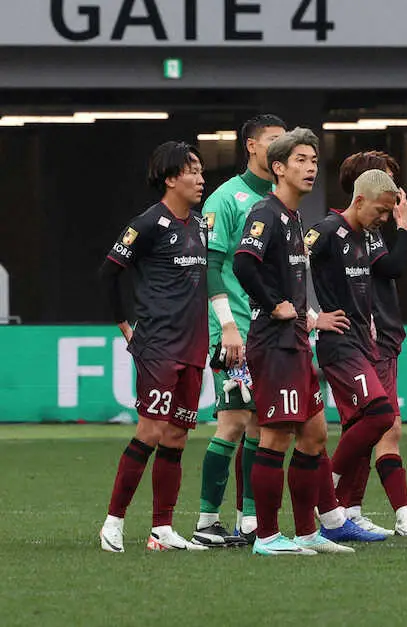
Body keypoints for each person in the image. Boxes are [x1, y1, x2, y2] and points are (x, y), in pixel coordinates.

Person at [233, 128, 385, 555]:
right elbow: (244, 263)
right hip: (274, 343)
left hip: (297, 341)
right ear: (278, 168)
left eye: (314, 161)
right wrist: (274, 304)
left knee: (315, 434)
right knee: (276, 437)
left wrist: (307, 318)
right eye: (300, 160)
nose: (310, 168)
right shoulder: (266, 212)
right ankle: (266, 537)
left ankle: (306, 532)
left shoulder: (294, 217)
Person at [310, 169, 407, 539]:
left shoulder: (361, 237)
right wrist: (311, 317)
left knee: (367, 423)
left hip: (362, 342)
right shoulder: (326, 230)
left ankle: (344, 511)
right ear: (359, 200)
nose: (385, 218)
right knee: (381, 416)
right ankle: (328, 491)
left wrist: (368, 322)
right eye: (381, 210)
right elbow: (285, 266)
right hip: (339, 344)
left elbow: (372, 283)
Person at [98, 141, 209, 552]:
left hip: (194, 345)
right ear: (171, 179)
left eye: (200, 171)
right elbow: (109, 273)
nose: (201, 179)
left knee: (177, 437)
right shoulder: (146, 224)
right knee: (150, 431)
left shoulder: (201, 225)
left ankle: (162, 528)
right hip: (158, 344)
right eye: (192, 171)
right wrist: (125, 325)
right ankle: (113, 523)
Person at [192, 113, 285, 547]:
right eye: (274, 140)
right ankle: (205, 521)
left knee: (259, 425)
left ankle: (248, 520)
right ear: (251, 145)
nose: (282, 148)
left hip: (269, 329)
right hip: (233, 330)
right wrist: (227, 325)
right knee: (233, 422)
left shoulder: (281, 200)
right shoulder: (225, 199)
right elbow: (211, 267)